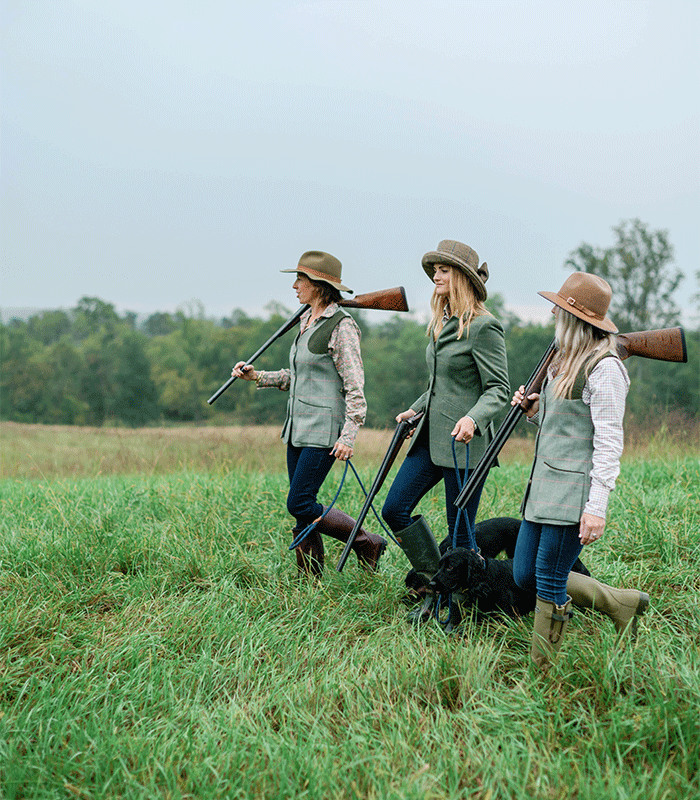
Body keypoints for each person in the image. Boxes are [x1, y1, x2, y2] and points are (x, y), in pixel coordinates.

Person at [511, 272, 647, 669]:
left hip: (573, 493)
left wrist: (596, 507)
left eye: (560, 308)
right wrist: (534, 411)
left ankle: (543, 673)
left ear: (575, 317)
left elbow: (608, 443)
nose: (553, 312)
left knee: (549, 578)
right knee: (524, 574)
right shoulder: (562, 359)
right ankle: (619, 602)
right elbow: (566, 426)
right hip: (543, 487)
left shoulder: (605, 368)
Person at [232, 250, 386, 577]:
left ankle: (366, 542)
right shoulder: (306, 320)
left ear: (318, 284)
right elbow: (301, 377)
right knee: (302, 509)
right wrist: (258, 376)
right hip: (297, 428)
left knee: (299, 502)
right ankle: (310, 582)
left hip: (324, 429)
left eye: (300, 279)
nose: (294, 286)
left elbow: (355, 387)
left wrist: (348, 436)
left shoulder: (342, 326)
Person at [381, 240, 510, 603]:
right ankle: (433, 582)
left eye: (444, 270)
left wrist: (473, 418)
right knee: (394, 508)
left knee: (461, 533)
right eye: (435, 270)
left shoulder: (484, 327)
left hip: (466, 443)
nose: (436, 276)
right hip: (430, 437)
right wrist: (415, 409)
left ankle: (463, 602)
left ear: (463, 278)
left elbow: (499, 389)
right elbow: (441, 384)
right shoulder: (443, 323)